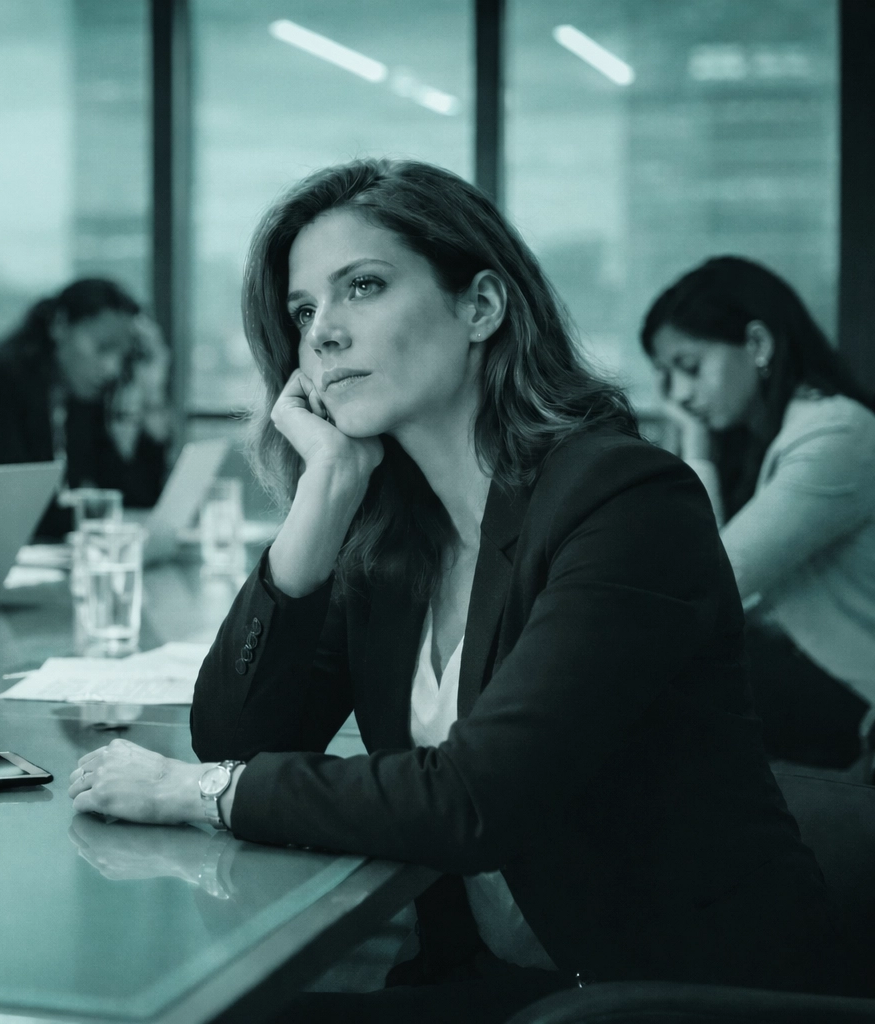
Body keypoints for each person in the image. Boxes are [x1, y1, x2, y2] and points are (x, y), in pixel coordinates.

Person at [66, 160, 858, 1022]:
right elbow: (235, 731)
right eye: (303, 312)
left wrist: (197, 792)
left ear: (481, 306)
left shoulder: (624, 499)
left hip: (670, 996)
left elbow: (475, 799)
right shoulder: (396, 539)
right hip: (509, 985)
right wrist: (320, 498)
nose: (323, 335)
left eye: (361, 287)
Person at [641, 257, 875, 771]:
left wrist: (695, 445)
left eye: (690, 366)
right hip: (815, 681)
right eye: (666, 378)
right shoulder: (777, 437)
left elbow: (713, 577)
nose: (679, 395)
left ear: (758, 345)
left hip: (856, 689)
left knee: (652, 675)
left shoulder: (837, 433)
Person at [0, 278, 170, 538]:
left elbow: (137, 498)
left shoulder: (78, 394)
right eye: (103, 348)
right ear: (60, 326)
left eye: (123, 356)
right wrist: (103, 515)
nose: (112, 368)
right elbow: (15, 510)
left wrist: (152, 393)